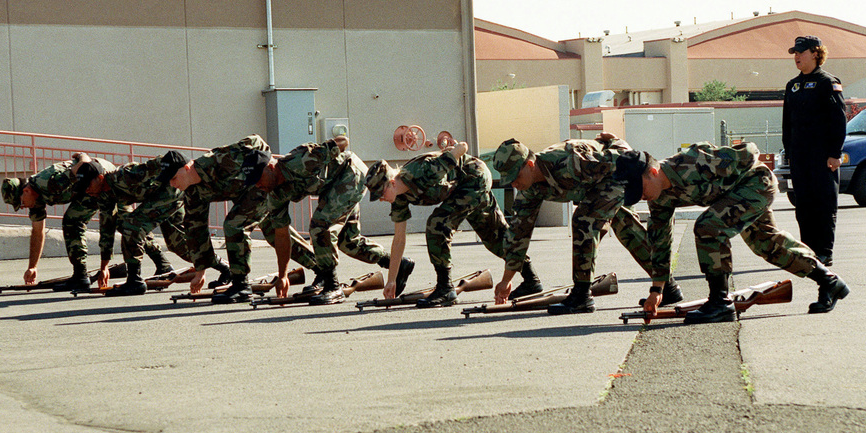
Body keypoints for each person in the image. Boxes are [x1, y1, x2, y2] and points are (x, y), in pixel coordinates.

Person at [634, 141, 849, 324]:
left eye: (641, 189)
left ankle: (720, 303)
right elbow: (660, 243)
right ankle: (829, 281)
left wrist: (732, 174)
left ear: (653, 172)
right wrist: (657, 291)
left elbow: (747, 153)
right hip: (738, 194)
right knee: (764, 243)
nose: (641, 196)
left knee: (708, 227)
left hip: (756, 183)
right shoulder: (658, 198)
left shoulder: (692, 161)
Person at [491, 136, 684, 315]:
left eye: (516, 176)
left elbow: (621, 161)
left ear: (530, 164)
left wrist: (620, 144)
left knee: (584, 220)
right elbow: (519, 232)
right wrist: (506, 280)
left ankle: (581, 295)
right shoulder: (529, 189)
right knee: (627, 228)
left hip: (614, 176)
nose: (514, 184)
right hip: (595, 188)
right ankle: (668, 287)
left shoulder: (570, 161)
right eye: (510, 180)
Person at [365, 141, 541, 307]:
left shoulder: (423, 170)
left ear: (392, 183)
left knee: (437, 224)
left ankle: (445, 288)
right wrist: (391, 280)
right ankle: (531, 280)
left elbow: (461, 148)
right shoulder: (398, 198)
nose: (381, 199)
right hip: (459, 189)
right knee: (496, 237)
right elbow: (399, 240)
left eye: (381, 193)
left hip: (474, 178)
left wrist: (454, 148)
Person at [251, 134, 413, 305]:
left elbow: (343, 141)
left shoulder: (300, 159)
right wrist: (283, 275)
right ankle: (396, 263)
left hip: (350, 173)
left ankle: (332, 286)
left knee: (320, 226)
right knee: (348, 242)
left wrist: (327, 146)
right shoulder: (275, 195)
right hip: (332, 188)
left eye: (258, 179)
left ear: (270, 167)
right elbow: (282, 236)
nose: (257, 186)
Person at [167, 135, 316, 303]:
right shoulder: (192, 192)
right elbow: (196, 229)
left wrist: (264, 168)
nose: (173, 185)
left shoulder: (219, 160)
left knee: (234, 225)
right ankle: (322, 268)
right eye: (169, 181)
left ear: (187, 168)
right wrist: (200, 271)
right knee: (273, 231)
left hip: (260, 184)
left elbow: (256, 141)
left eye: (174, 178)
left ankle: (241, 285)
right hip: (245, 196)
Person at [75, 152, 231, 296]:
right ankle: (225, 268)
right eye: (83, 188)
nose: (87, 191)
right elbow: (107, 228)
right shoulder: (103, 195)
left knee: (132, 225)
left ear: (100, 178)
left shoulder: (126, 175)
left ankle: (134, 281)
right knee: (178, 245)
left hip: (172, 191)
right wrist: (104, 267)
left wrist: (177, 167)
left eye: (87, 186)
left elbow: (156, 164)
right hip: (160, 198)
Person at [0, 153, 117, 292]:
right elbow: (38, 231)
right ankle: (80, 276)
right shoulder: (34, 200)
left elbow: (85, 164)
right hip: (83, 188)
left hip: (100, 176)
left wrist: (81, 155)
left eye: (21, 203)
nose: (23, 207)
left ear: (26, 191)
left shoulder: (49, 183)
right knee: (72, 221)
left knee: (74, 221)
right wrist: (33, 267)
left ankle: (81, 277)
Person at [782, 35, 847, 266]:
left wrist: (835, 153)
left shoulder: (827, 83)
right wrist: (788, 152)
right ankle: (807, 252)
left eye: (801, 52)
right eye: (794, 53)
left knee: (824, 204)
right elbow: (787, 123)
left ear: (816, 53)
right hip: (800, 157)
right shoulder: (793, 85)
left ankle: (825, 252)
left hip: (822, 157)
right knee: (804, 206)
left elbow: (839, 121)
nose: (797, 56)